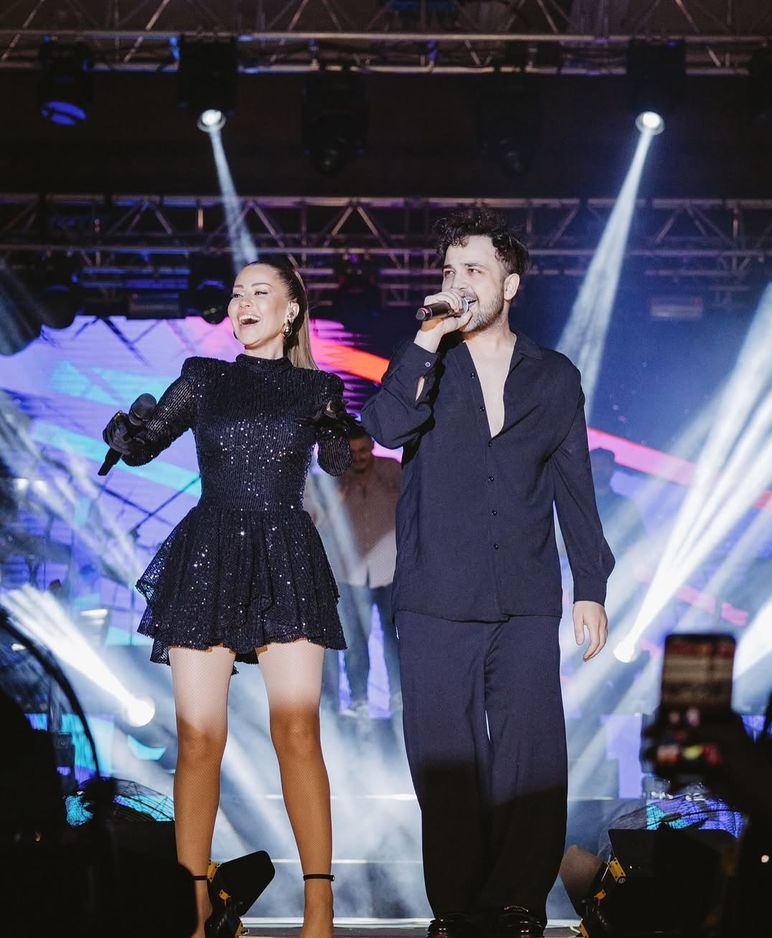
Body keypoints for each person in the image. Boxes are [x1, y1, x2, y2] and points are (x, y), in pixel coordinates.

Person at [360, 207, 615, 938]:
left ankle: (517, 901)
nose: (459, 281)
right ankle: (456, 905)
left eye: (473, 269)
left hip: (526, 596)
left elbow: (574, 484)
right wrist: (425, 339)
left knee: (530, 759)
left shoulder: (553, 376)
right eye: (449, 270)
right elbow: (383, 426)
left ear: (510, 284)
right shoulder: (426, 363)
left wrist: (590, 587)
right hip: (436, 593)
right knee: (445, 760)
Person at [101, 258, 352, 938]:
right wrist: (128, 432)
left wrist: (340, 427)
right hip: (208, 553)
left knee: (296, 730)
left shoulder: (316, 386)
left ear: (291, 310)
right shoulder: (203, 377)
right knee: (197, 736)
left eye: (260, 292)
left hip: (285, 554)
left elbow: (339, 461)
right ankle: (193, 905)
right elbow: (144, 446)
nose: (244, 303)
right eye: (238, 293)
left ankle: (319, 909)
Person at [308, 426, 402, 717]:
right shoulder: (332, 479)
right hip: (350, 575)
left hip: (389, 571)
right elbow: (317, 527)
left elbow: (410, 510)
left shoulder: (390, 470)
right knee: (354, 640)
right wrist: (337, 499)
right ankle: (359, 698)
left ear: (372, 446)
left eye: (364, 451)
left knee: (393, 637)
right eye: (353, 453)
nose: (359, 458)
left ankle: (399, 695)